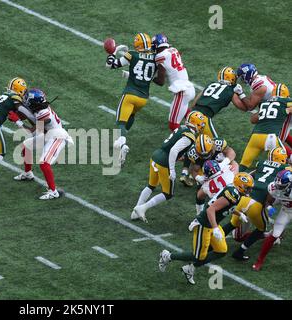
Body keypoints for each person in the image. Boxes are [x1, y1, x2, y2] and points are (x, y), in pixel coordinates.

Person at [158, 172, 254, 285]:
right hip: (204, 224)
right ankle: (167, 256)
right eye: (247, 188)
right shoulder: (232, 193)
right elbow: (211, 209)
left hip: (213, 224)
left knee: (221, 250)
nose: (249, 191)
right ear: (240, 186)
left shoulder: (235, 193)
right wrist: (215, 228)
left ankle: (190, 269)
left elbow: (226, 207)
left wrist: (238, 214)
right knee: (197, 256)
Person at [131, 111, 206, 223]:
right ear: (197, 124)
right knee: (168, 193)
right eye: (201, 124)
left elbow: (171, 147)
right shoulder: (189, 136)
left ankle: (135, 212)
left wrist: (178, 157)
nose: (202, 127)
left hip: (156, 155)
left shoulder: (182, 128)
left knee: (151, 185)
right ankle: (142, 208)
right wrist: (172, 169)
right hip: (164, 162)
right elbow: (174, 150)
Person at [105, 33, 157, 167]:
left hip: (130, 94)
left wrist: (113, 52)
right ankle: (121, 140)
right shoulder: (155, 58)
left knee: (121, 121)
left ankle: (122, 144)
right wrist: (130, 74)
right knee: (131, 115)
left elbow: (111, 65)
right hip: (144, 98)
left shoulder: (132, 54)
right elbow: (149, 75)